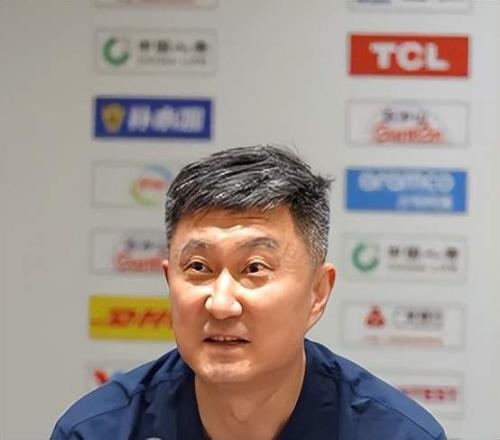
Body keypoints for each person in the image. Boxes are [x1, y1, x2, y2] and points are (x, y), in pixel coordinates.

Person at [51, 145, 447, 439]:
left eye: (254, 269)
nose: (221, 303)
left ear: (317, 293)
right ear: (170, 281)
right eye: (199, 268)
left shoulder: (397, 434)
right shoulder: (98, 431)